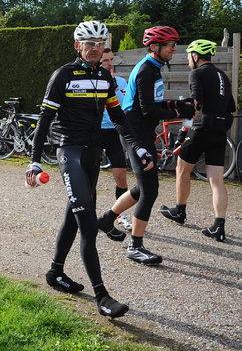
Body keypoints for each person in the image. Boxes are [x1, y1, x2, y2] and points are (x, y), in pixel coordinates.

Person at [25, 21, 154, 319]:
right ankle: (102, 296)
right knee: (86, 223)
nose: (95, 48)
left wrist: (138, 146)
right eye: (89, 43)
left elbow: (119, 117)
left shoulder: (106, 79)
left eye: (100, 43)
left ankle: (55, 272)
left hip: (92, 155)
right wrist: (34, 159)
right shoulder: (64, 76)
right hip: (69, 152)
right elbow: (45, 119)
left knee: (74, 214)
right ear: (77, 46)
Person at [97, 26, 195, 265]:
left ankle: (107, 219)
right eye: (170, 44)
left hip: (142, 130)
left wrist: (176, 104)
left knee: (143, 188)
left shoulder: (154, 68)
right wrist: (177, 108)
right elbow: (148, 109)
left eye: (174, 43)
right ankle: (135, 246)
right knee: (150, 190)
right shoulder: (146, 71)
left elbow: (151, 104)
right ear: (154, 47)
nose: (174, 48)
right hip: (135, 133)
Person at [160, 39, 236, 242]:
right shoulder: (223, 76)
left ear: (196, 56)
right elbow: (233, 109)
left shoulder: (197, 73)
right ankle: (219, 227)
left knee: (181, 168)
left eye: (188, 56)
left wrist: (183, 133)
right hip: (220, 132)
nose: (187, 60)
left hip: (201, 129)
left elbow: (195, 104)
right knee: (217, 180)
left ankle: (180, 211)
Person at [99, 49, 133, 232]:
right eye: (106, 60)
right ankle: (86, 215)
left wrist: (114, 86)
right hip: (94, 132)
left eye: (112, 60)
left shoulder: (120, 81)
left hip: (113, 132)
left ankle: (121, 213)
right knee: (88, 176)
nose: (110, 63)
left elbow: (124, 106)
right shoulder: (92, 80)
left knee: (121, 175)